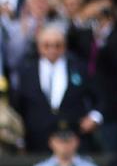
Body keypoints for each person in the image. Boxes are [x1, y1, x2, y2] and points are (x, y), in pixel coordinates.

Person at [13, 23, 102, 153]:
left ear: (65, 46)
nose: (52, 49)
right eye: (47, 45)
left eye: (57, 45)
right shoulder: (26, 72)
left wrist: (94, 117)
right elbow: (18, 106)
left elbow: (100, 96)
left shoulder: (79, 68)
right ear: (38, 46)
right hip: (37, 141)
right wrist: (19, 138)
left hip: (74, 139)